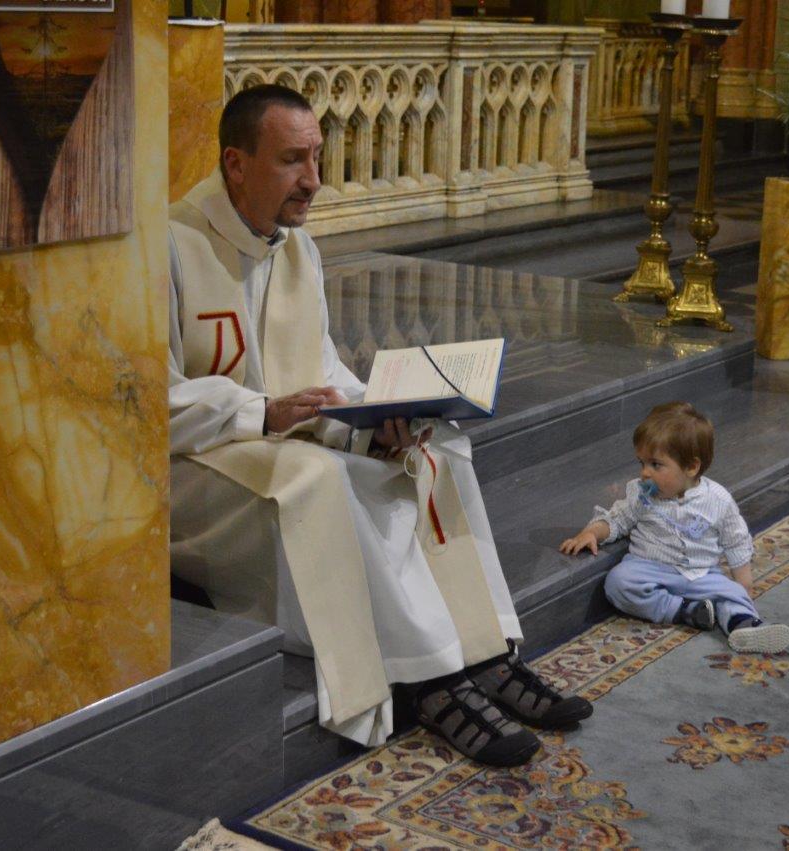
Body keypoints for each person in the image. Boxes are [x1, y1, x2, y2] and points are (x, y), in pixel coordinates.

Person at [168, 84, 589, 768]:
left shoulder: (296, 248)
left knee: (435, 449)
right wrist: (260, 411)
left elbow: (319, 363)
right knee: (318, 476)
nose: (314, 181)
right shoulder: (173, 246)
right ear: (235, 164)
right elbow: (141, 403)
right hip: (196, 468)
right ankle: (429, 678)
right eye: (293, 160)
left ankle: (483, 651)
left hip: (274, 441)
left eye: (317, 157)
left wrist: (375, 417)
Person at [560, 402, 789, 654]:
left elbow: (736, 541)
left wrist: (743, 582)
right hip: (650, 568)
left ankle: (743, 624)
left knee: (732, 594)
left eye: (655, 465)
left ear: (691, 467)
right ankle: (686, 611)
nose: (645, 473)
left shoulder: (717, 499)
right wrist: (592, 532)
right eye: (642, 463)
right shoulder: (640, 493)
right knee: (618, 583)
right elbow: (618, 519)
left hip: (702, 574)